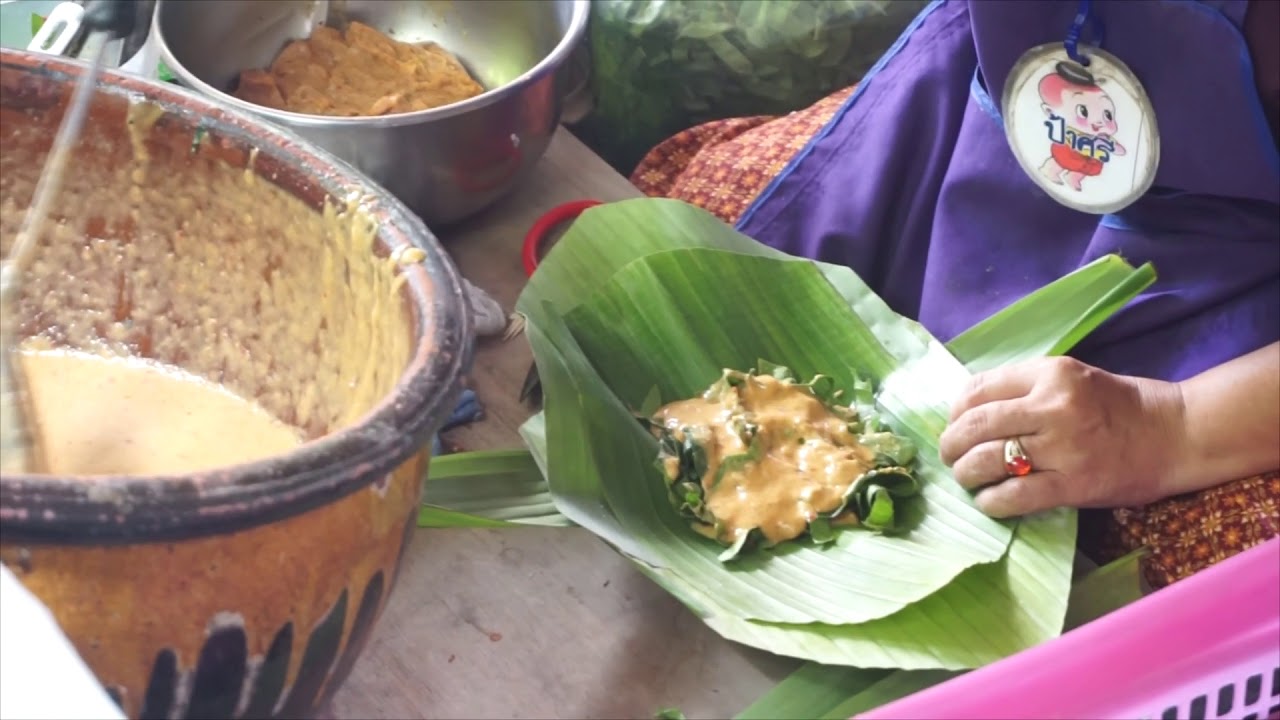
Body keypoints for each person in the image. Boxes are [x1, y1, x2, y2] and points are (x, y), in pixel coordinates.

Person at [630, 0, 1279, 588]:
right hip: (1001, 108)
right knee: (688, 211)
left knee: (1223, 587)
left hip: (1229, 286)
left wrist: (1167, 426)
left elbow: (1171, 429)